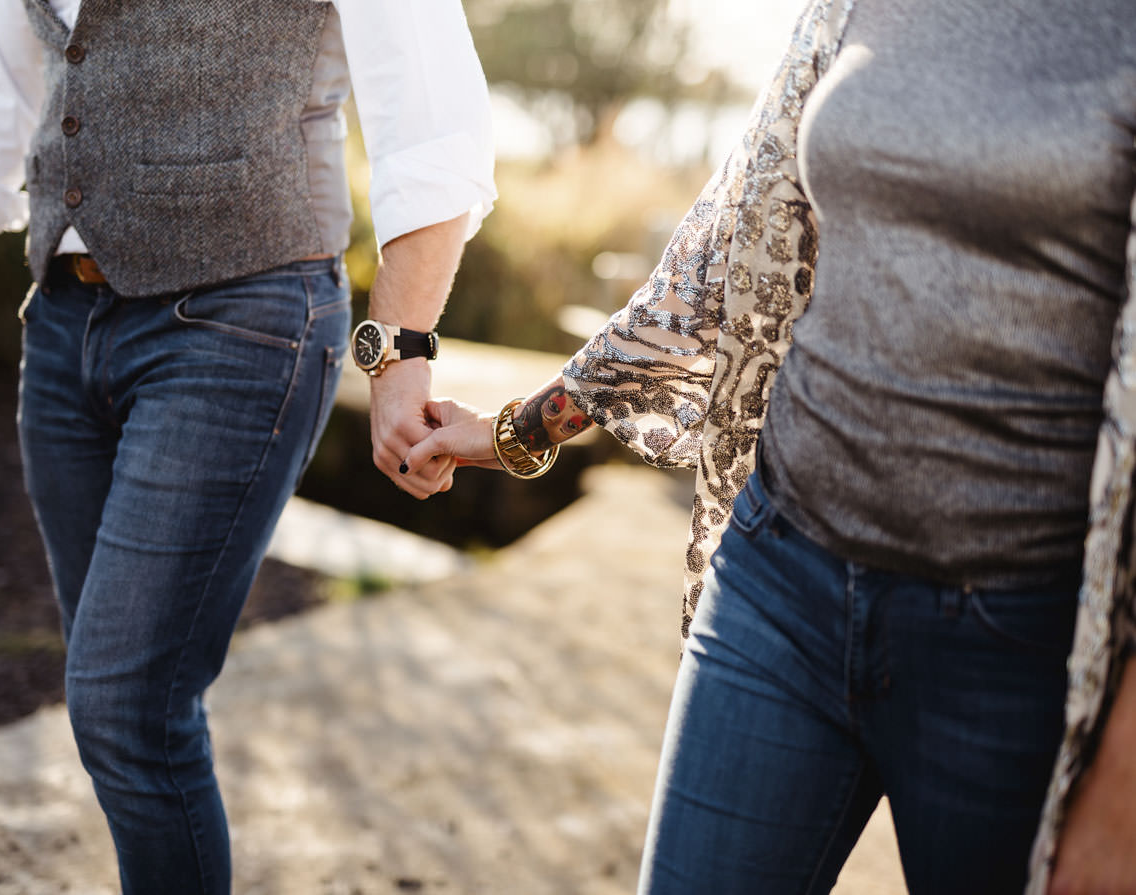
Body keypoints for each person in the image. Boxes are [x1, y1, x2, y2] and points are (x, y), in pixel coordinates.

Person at [403, 0, 1136, 892]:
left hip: (1016, 639)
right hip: (780, 580)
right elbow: (715, 262)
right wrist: (520, 429)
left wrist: (1124, 793)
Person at [0, 0, 493, 890]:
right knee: (119, 696)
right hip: (63, 326)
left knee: (127, 703)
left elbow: (430, 123)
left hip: (245, 321)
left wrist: (400, 357)